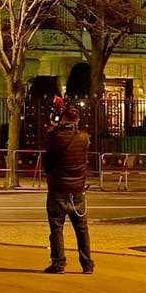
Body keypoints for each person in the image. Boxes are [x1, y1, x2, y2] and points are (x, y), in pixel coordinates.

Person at [41, 106, 93, 274]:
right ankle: (87, 264)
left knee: (57, 228)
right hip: (78, 189)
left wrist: (52, 131)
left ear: (62, 119)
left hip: (58, 189)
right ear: (77, 120)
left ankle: (59, 263)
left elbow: (46, 163)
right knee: (82, 229)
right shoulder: (84, 138)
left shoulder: (55, 138)